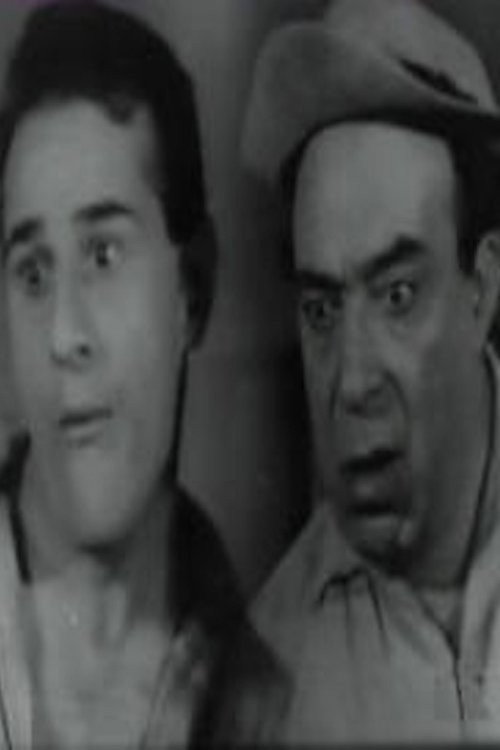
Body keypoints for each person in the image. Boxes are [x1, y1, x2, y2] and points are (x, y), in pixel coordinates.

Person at [0, 1, 270, 746]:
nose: (64, 334)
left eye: (103, 255)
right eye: (32, 272)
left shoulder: (271, 705)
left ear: (194, 289)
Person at [239, 0, 500, 742]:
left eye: (397, 295)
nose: (352, 381)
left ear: (483, 288)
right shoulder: (271, 676)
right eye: (322, 309)